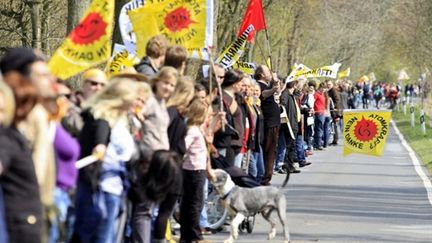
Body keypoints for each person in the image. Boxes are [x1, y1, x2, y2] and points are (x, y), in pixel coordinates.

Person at [72, 78, 142, 243]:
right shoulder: (102, 119)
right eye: (132, 98)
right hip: (102, 188)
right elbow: (100, 143)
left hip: (114, 187)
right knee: (101, 238)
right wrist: (100, 147)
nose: (135, 102)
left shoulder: (118, 119)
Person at [0, 69, 42, 243]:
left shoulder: (10, 134)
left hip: (25, 223)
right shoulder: (4, 138)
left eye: (2, 110)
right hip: (18, 225)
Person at [180, 98, 214, 243]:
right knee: (195, 204)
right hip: (193, 170)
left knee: (192, 203)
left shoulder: (197, 129)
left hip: (198, 168)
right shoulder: (192, 130)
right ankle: (194, 235)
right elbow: (184, 147)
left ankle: (188, 234)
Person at [255, 65, 280, 185]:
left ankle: (267, 174)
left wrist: (275, 83)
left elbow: (277, 90)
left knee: (272, 149)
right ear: (261, 75)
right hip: (269, 122)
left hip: (274, 122)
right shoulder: (259, 85)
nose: (270, 73)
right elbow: (264, 94)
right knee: (269, 149)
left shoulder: (267, 84)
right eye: (267, 72)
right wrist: (273, 89)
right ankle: (265, 177)